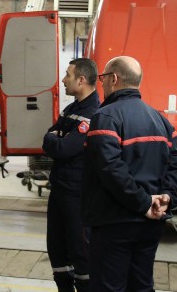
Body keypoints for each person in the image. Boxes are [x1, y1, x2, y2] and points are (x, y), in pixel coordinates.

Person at [82, 55, 177, 291]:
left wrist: (142, 203)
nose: (102, 83)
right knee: (140, 286)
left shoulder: (105, 117)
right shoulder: (160, 120)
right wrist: (167, 199)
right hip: (151, 224)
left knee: (108, 287)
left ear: (114, 79)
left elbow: (110, 169)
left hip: (114, 222)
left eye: (103, 78)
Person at [42, 58, 99, 292]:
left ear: (81, 80)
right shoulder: (72, 108)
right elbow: (48, 137)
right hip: (59, 190)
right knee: (56, 248)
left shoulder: (93, 113)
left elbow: (64, 148)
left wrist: (55, 138)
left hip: (77, 194)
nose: (64, 80)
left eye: (68, 75)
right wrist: (54, 138)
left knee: (79, 250)